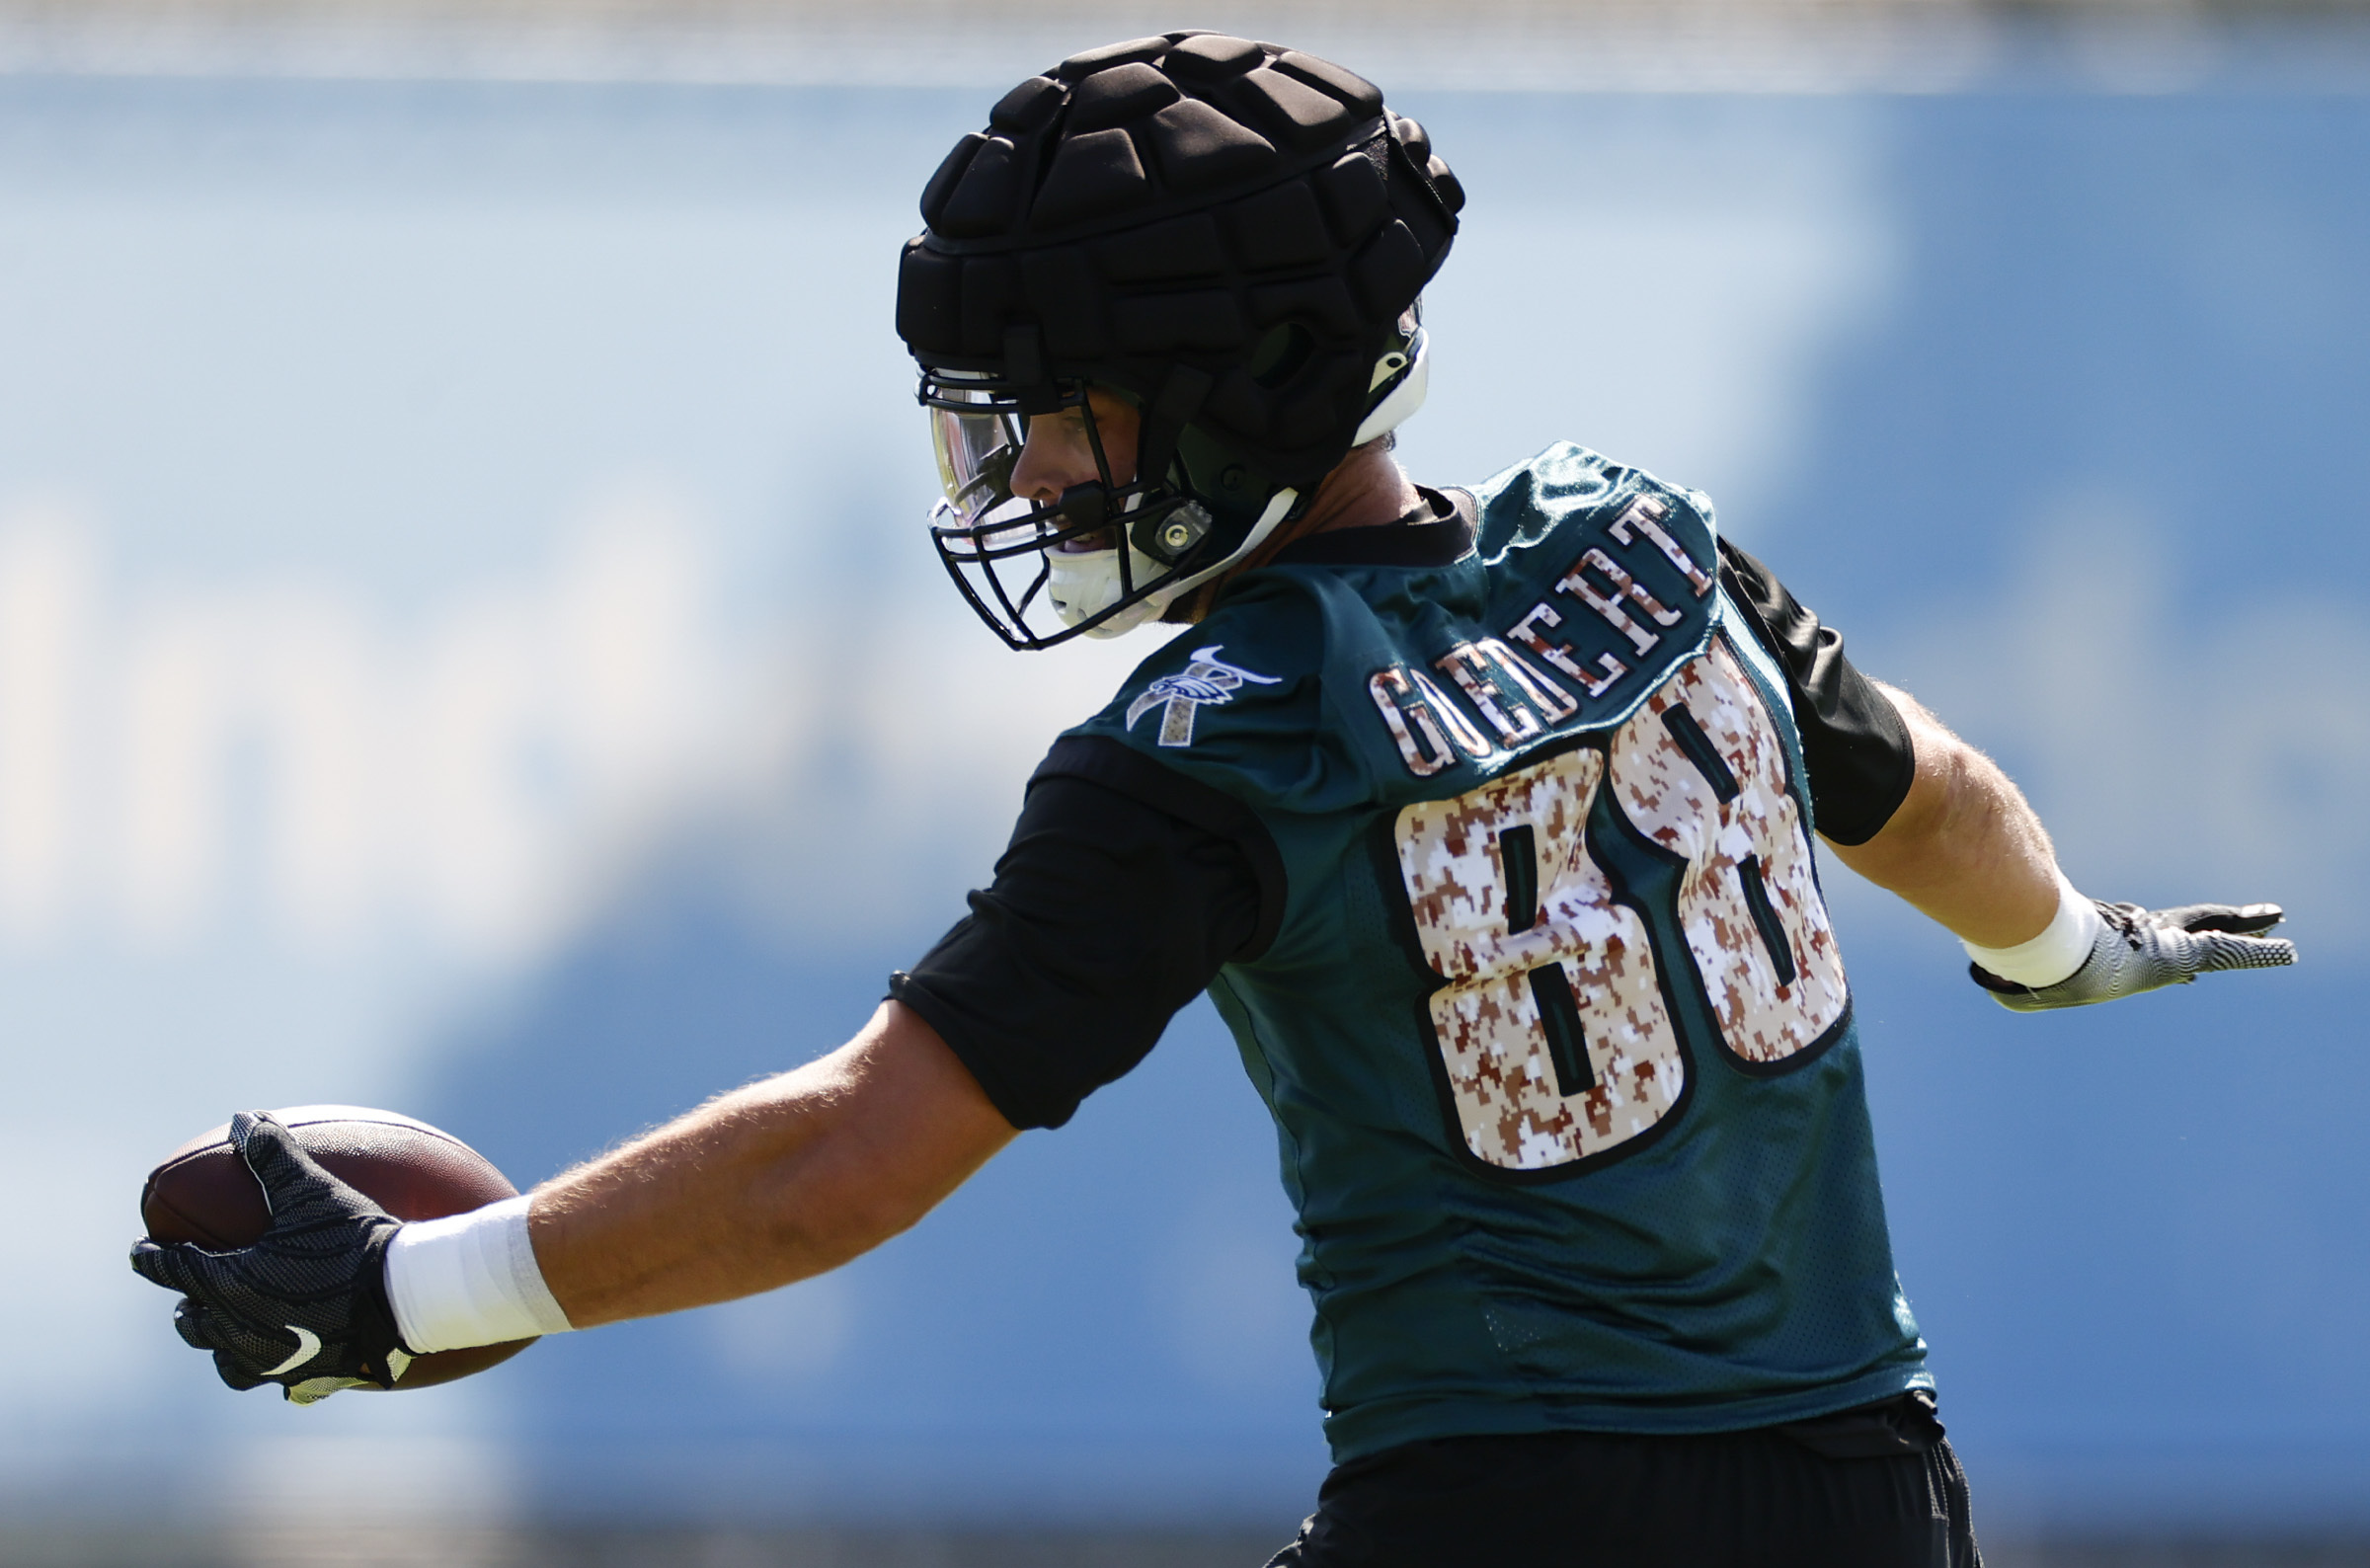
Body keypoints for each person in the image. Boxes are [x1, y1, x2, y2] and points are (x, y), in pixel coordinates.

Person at [132, 34, 2296, 1567]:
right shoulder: (1647, 542)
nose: (1022, 482)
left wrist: (421, 1292)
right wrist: (2067, 949)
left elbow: (852, 1162)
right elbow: (1934, 795)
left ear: (1225, 395)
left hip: (1506, 1508)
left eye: (1053, 422)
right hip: (1874, 1496)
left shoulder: (1229, 731)